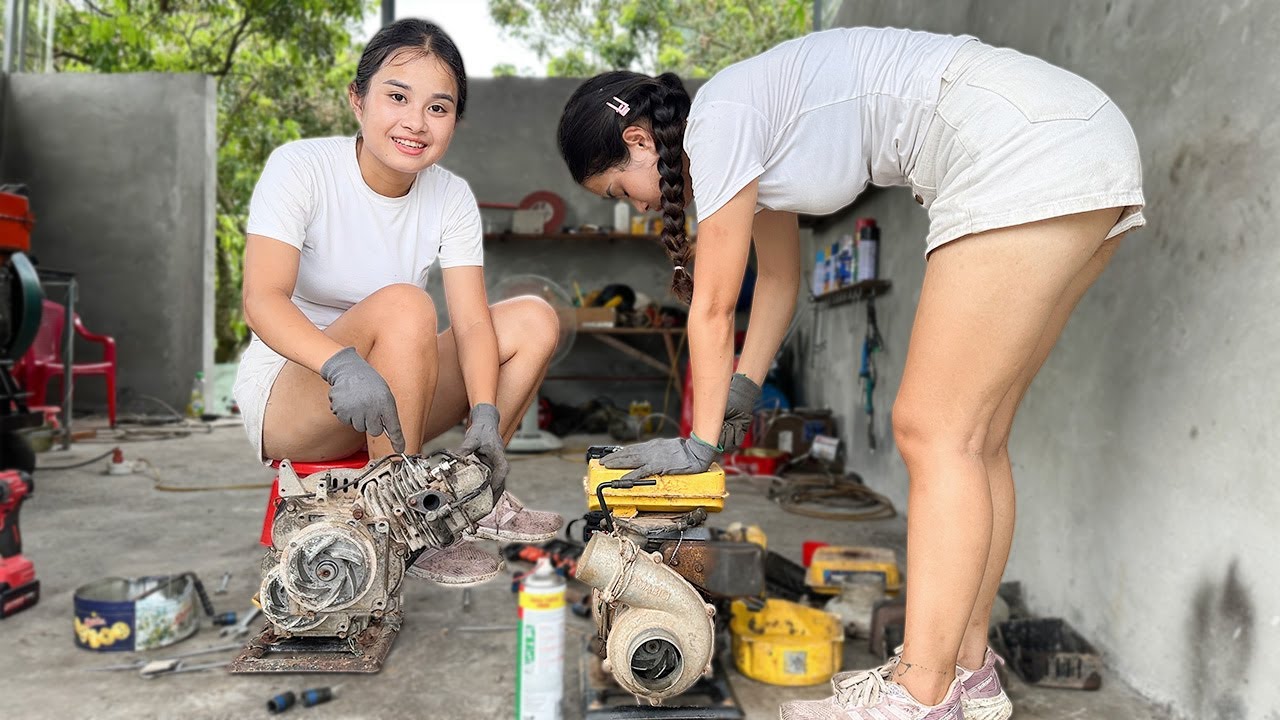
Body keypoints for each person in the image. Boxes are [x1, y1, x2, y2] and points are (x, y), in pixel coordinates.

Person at [557, 26, 1143, 720]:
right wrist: (742, 390)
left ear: (637, 142)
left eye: (617, 186)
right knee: (975, 439)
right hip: (1071, 139)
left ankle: (918, 696)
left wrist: (698, 446)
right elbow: (779, 285)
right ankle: (968, 670)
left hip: (1016, 143)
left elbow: (713, 308)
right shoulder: (744, 128)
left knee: (931, 431)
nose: (633, 203)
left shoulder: (720, 121)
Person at [233, 19, 563, 587]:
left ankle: (467, 499)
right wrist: (339, 364)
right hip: (295, 397)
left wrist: (486, 412)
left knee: (533, 318)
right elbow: (262, 299)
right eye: (396, 96)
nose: (415, 122)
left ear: (455, 120)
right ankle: (402, 521)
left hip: (392, 394)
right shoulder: (302, 168)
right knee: (407, 306)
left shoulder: (451, 195)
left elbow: (472, 322)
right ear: (357, 100)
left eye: (439, 107)